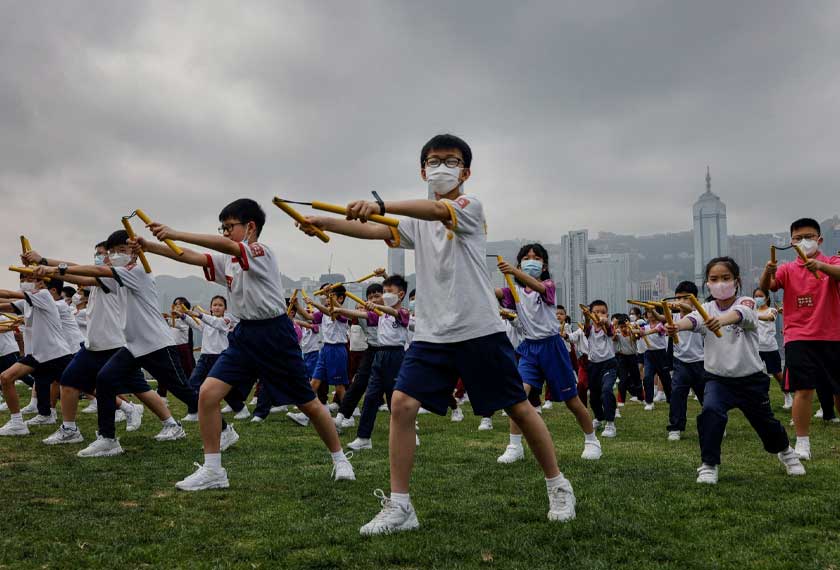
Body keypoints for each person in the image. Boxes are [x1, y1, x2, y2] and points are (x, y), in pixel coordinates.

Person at [298, 134, 576, 534]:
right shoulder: (415, 221)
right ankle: (400, 506)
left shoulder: (467, 206)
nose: (441, 167)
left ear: (466, 171)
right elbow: (377, 231)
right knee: (402, 404)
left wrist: (378, 205)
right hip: (431, 332)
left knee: (517, 406)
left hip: (478, 328)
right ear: (422, 169)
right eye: (433, 161)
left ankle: (557, 484)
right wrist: (326, 222)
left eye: (450, 160)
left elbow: (430, 210)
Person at [140, 197, 354, 490]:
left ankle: (340, 458)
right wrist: (150, 246)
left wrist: (174, 232)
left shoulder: (260, 251)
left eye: (229, 227)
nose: (225, 232)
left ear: (250, 227)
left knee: (308, 403)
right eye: (223, 227)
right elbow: (190, 255)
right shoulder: (228, 259)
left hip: (275, 334)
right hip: (244, 335)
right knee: (207, 394)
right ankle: (214, 470)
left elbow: (224, 246)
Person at [34, 230, 201, 457]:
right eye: (111, 252)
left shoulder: (138, 273)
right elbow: (87, 274)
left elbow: (95, 270)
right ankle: (108, 439)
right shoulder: (117, 279)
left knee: (182, 391)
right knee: (104, 379)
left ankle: (220, 428)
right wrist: (47, 263)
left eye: (121, 251)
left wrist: (56, 269)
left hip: (156, 344)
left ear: (134, 253)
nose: (114, 255)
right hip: (132, 346)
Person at [667, 257, 804, 484]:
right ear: (707, 284)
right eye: (714, 279)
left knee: (766, 424)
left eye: (725, 278)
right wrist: (676, 326)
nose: (720, 283)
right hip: (717, 380)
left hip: (751, 379)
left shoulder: (747, 301)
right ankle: (709, 464)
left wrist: (719, 321)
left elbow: (741, 315)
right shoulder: (706, 308)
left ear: (736, 280)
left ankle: (786, 452)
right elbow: (691, 320)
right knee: (710, 412)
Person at [495, 243, 601, 462]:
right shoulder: (512, 292)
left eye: (536, 257)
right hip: (530, 348)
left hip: (552, 348)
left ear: (544, 266)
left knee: (572, 400)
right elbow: (493, 293)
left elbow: (540, 289)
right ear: (519, 262)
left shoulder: (548, 286)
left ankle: (592, 441)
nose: (530, 260)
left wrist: (514, 272)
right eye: (526, 257)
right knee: (518, 395)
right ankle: (514, 446)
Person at [760, 218, 840, 460]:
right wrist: (767, 272)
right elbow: (767, 288)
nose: (804, 241)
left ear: (819, 239)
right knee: (803, 390)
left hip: (832, 334)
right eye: (798, 238)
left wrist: (820, 267)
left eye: (809, 236)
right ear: (791, 241)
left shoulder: (832, 262)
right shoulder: (786, 269)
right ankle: (802, 443)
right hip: (798, 336)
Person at [334, 275, 411, 451]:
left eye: (389, 292)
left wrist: (378, 306)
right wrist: (341, 310)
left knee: (396, 400)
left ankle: (409, 433)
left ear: (401, 294)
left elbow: (396, 313)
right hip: (379, 356)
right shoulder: (380, 315)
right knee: (370, 397)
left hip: (396, 356)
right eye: (384, 291)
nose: (385, 295)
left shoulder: (402, 312)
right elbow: (359, 314)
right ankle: (364, 437)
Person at [0, 274, 74, 435]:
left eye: (28, 279)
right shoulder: (29, 301)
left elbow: (8, 294)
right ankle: (17, 423)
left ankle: (126, 407)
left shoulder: (43, 295)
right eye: (22, 279)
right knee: (6, 377)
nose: (24, 282)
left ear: (41, 282)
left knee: (86, 387)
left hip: (56, 354)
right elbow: (8, 305)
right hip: (38, 355)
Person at [182, 296, 250, 420]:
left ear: (225, 308)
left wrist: (198, 314)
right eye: (214, 305)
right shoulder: (207, 321)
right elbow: (196, 324)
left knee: (223, 388)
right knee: (193, 383)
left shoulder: (226, 320)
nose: (217, 307)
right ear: (211, 307)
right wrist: (183, 316)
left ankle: (240, 408)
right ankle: (193, 412)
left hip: (221, 358)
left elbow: (216, 323)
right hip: (205, 358)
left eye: (220, 305)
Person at [334, 283, 383, 430]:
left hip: (388, 353)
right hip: (371, 351)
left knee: (393, 389)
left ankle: (408, 423)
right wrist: (332, 296)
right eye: (370, 297)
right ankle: (341, 417)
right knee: (358, 384)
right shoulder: (366, 315)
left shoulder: (391, 313)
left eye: (377, 296)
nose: (373, 299)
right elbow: (345, 312)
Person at [666, 282, 706, 441]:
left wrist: (684, 305)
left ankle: (715, 423)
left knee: (707, 397)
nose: (680, 301)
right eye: (678, 298)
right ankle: (675, 427)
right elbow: (662, 318)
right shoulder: (674, 316)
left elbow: (693, 311)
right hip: (680, 362)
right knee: (677, 394)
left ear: (694, 299)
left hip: (701, 362)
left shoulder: (701, 313)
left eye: (685, 298)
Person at [752, 288, 790, 410]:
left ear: (767, 298)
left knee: (778, 374)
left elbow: (771, 317)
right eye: (756, 296)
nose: (758, 298)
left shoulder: (772, 310)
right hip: (756, 348)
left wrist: (754, 315)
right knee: (755, 374)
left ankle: (788, 396)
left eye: (760, 296)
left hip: (770, 348)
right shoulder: (752, 311)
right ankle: (759, 398)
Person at [584, 300, 618, 438]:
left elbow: (610, 330)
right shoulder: (589, 329)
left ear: (607, 314)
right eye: (596, 312)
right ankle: (599, 417)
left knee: (606, 390)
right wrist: (587, 316)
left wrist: (606, 322)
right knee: (594, 396)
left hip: (609, 364)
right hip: (593, 366)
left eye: (603, 312)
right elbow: (586, 326)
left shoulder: (608, 328)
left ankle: (610, 423)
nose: (599, 315)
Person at [638, 307, 672, 410]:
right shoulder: (644, 326)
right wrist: (633, 329)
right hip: (649, 354)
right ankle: (649, 402)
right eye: (648, 312)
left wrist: (645, 333)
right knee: (647, 377)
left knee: (666, 379)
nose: (651, 314)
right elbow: (638, 333)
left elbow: (657, 330)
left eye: (653, 312)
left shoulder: (662, 325)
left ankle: (671, 399)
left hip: (661, 354)